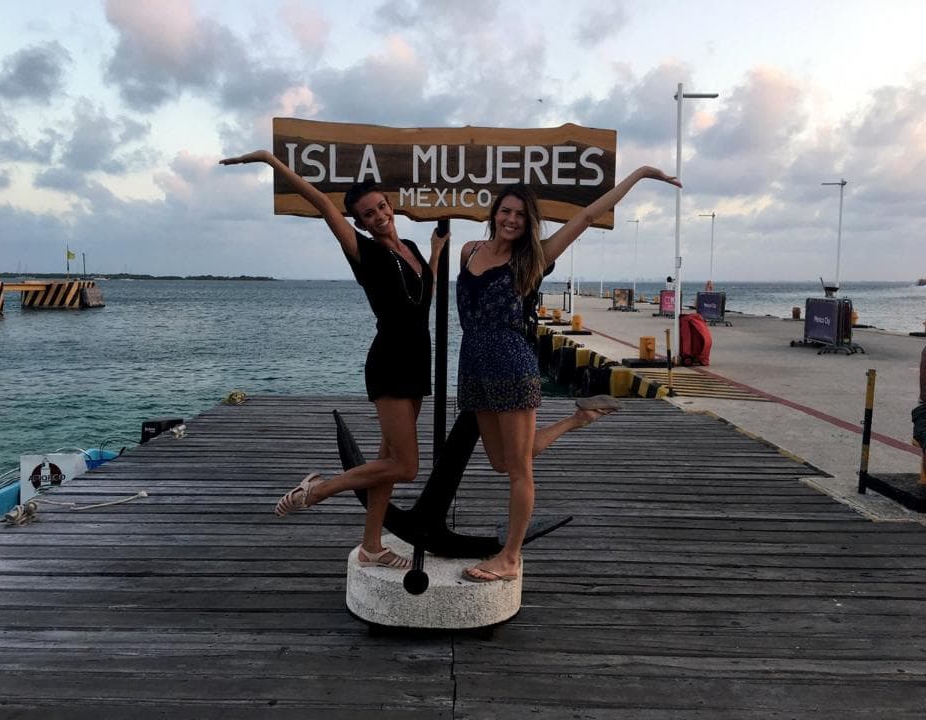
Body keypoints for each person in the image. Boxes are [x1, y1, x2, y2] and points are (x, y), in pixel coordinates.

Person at [219, 150, 446, 570]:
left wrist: (433, 254)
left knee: (387, 465)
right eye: (368, 214)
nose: (379, 216)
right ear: (359, 222)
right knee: (407, 466)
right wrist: (272, 160)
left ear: (389, 206)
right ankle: (319, 489)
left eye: (381, 207)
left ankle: (371, 546)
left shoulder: (411, 246)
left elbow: (422, 302)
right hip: (391, 364)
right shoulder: (364, 252)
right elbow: (323, 204)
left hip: (417, 363)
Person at [457, 167, 681, 583]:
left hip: (512, 365)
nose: (511, 220)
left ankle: (510, 557)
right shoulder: (468, 250)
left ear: (529, 223)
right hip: (472, 365)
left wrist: (642, 174)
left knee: (520, 468)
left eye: (520, 216)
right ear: (494, 213)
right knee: (500, 462)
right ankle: (577, 419)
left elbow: (586, 217)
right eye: (506, 211)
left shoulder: (533, 258)